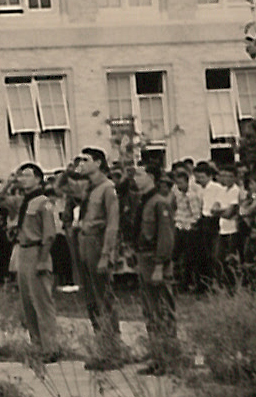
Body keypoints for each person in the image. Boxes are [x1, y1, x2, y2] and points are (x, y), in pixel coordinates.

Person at [71, 148, 125, 368]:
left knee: (104, 298)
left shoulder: (107, 189)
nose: (81, 163)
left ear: (99, 163)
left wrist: (106, 254)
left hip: (97, 242)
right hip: (84, 241)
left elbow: (112, 223)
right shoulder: (89, 188)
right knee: (91, 299)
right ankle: (101, 346)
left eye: (86, 160)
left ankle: (113, 349)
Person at [11, 162, 62, 359]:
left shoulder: (43, 202)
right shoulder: (23, 201)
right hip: (23, 252)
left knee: (42, 302)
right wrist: (9, 182)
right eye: (21, 175)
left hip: (37, 251)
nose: (22, 179)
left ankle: (50, 347)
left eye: (27, 175)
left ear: (38, 179)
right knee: (28, 303)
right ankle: (37, 345)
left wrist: (42, 260)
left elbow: (49, 234)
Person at [135, 171, 181, 372]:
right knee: (150, 311)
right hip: (144, 259)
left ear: (151, 178)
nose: (135, 178)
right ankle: (157, 357)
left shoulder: (159, 202)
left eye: (139, 174)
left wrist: (160, 265)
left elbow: (166, 236)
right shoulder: (144, 201)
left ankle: (169, 358)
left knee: (163, 309)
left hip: (155, 260)